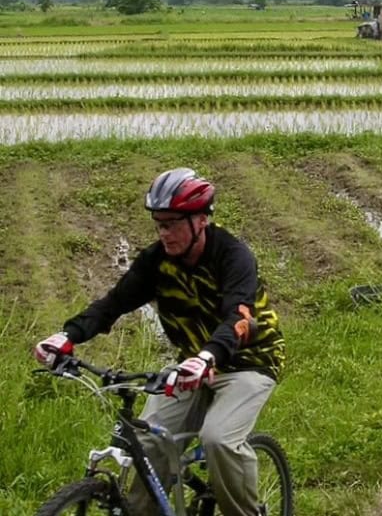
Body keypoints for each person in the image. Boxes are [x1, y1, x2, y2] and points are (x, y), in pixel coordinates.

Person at [34, 167, 285, 516]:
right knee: (148, 440)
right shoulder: (156, 262)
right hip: (192, 364)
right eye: (159, 224)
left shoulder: (233, 256)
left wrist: (208, 356)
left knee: (218, 439)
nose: (164, 233)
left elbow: (239, 318)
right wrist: (67, 335)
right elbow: (112, 304)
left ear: (200, 220)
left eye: (172, 223)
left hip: (250, 362)